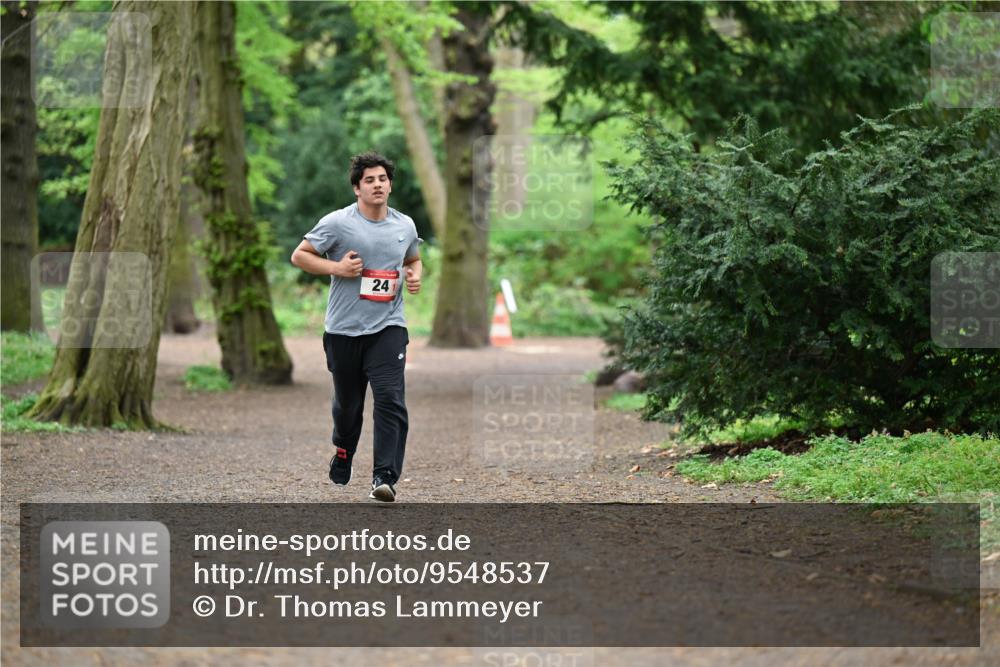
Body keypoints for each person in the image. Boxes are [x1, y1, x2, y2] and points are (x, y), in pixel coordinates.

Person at [290, 152, 422, 502]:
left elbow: (413, 258)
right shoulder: (337, 223)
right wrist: (337, 268)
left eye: (383, 179)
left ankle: (385, 476)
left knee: (390, 398)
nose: (377, 185)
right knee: (348, 407)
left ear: (390, 185)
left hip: (388, 326)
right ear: (357, 188)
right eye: (369, 180)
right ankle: (344, 449)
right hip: (344, 330)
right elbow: (300, 255)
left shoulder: (404, 225)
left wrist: (414, 275)